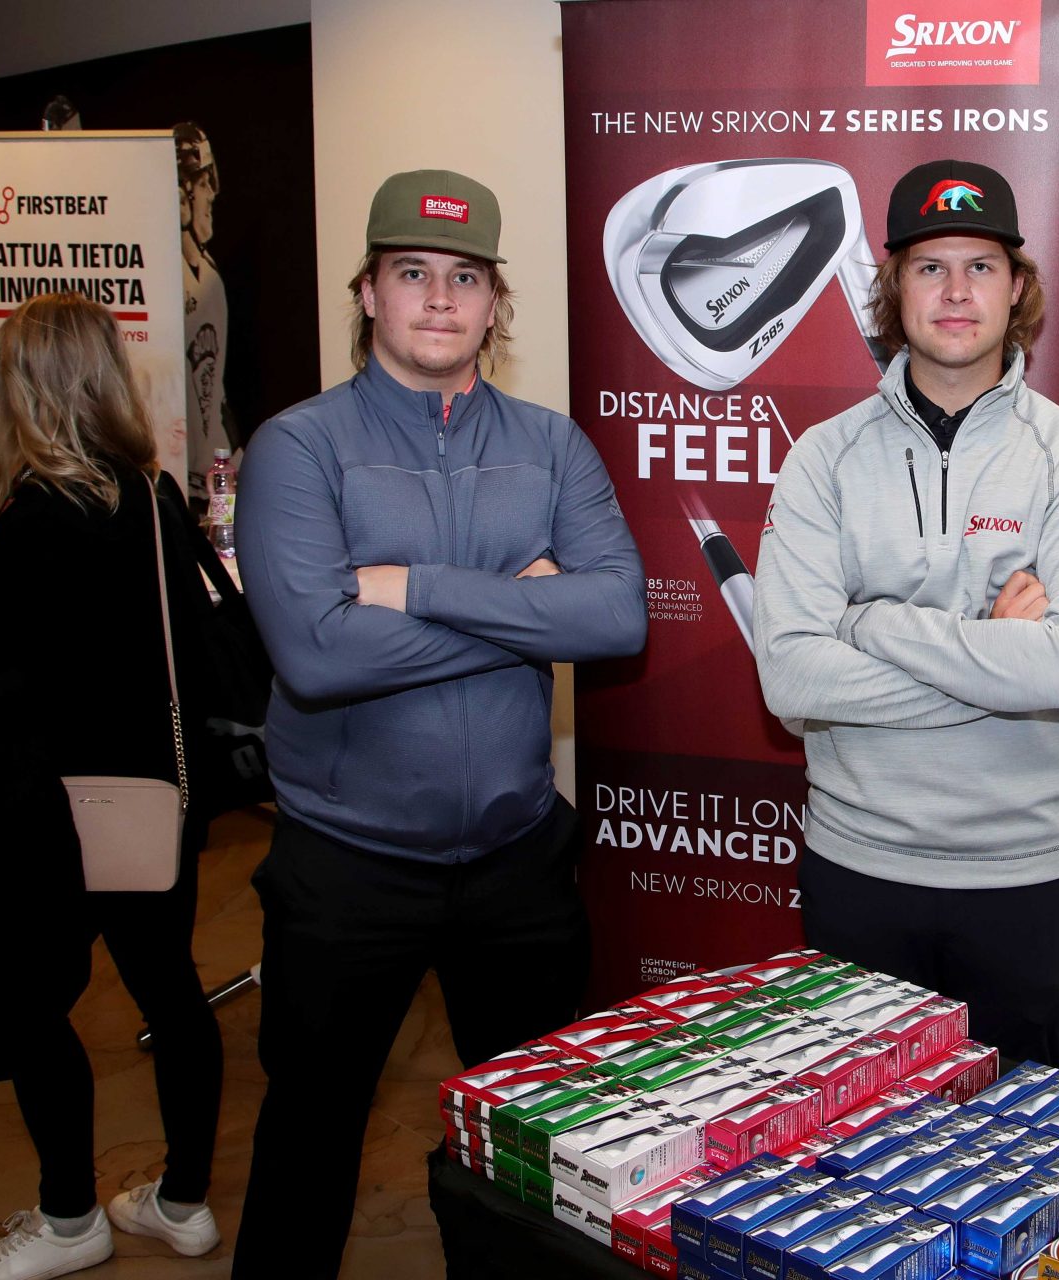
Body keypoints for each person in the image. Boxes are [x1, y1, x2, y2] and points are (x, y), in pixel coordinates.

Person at [232, 169, 646, 1278]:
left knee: (531, 1157)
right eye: (411, 271)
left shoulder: (551, 445)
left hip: (516, 861)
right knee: (309, 1137)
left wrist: (415, 588)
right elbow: (318, 655)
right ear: (368, 291)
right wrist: (526, 611)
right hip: (347, 866)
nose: (438, 298)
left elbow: (616, 616)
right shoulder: (300, 446)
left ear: (495, 301)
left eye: (465, 277)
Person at [752, 159, 1059, 1070]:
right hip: (859, 869)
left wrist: (869, 624)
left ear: (1016, 288)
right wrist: (997, 655)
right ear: (895, 287)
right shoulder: (823, 458)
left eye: (981, 266)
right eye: (930, 267)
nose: (957, 292)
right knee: (852, 1136)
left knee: (1016, 1136)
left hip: (1024, 879)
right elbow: (791, 678)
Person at [0, 292, 225, 1278]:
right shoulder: (151, 498)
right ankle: (183, 1201)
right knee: (172, 993)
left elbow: (3, 667)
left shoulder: (29, 518)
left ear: (22, 390)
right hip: (159, 797)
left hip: (53, 809)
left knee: (24, 1007)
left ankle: (71, 1218)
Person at [176, 122, 233, 498]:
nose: (211, 193)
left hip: (210, 480)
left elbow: (215, 391)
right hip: (180, 480)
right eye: (203, 182)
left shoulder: (208, 276)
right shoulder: (162, 281)